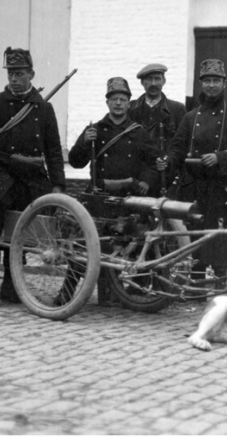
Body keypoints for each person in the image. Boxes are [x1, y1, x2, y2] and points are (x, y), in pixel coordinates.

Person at [0, 47, 66, 309]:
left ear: (31, 74)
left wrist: (57, 184)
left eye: (20, 73)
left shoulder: (43, 108)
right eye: (11, 73)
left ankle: (12, 284)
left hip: (31, 178)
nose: (14, 78)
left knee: (23, 230)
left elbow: (53, 149)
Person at [69, 77, 159, 304]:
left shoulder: (139, 132)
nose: (118, 103)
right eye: (114, 99)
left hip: (128, 197)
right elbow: (75, 161)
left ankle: (124, 294)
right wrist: (83, 142)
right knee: (85, 243)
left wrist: (146, 182)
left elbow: (153, 161)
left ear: (129, 104)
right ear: (107, 103)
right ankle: (67, 292)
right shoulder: (94, 130)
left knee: (129, 244)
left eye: (123, 99)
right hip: (100, 195)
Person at [162, 59, 227, 277]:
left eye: (216, 81)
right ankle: (196, 281)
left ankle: (220, 282)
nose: (211, 85)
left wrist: (220, 157)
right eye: (207, 81)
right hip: (195, 188)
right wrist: (168, 160)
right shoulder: (191, 117)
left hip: (221, 189)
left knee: (220, 237)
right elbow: (177, 148)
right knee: (196, 235)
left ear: (224, 84)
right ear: (201, 84)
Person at [128, 63, 186, 192]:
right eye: (149, 79)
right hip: (137, 179)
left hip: (166, 177)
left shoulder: (177, 110)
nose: (153, 83)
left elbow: (182, 144)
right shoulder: (130, 109)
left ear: (164, 81)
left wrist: (168, 160)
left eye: (157, 79)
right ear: (142, 83)